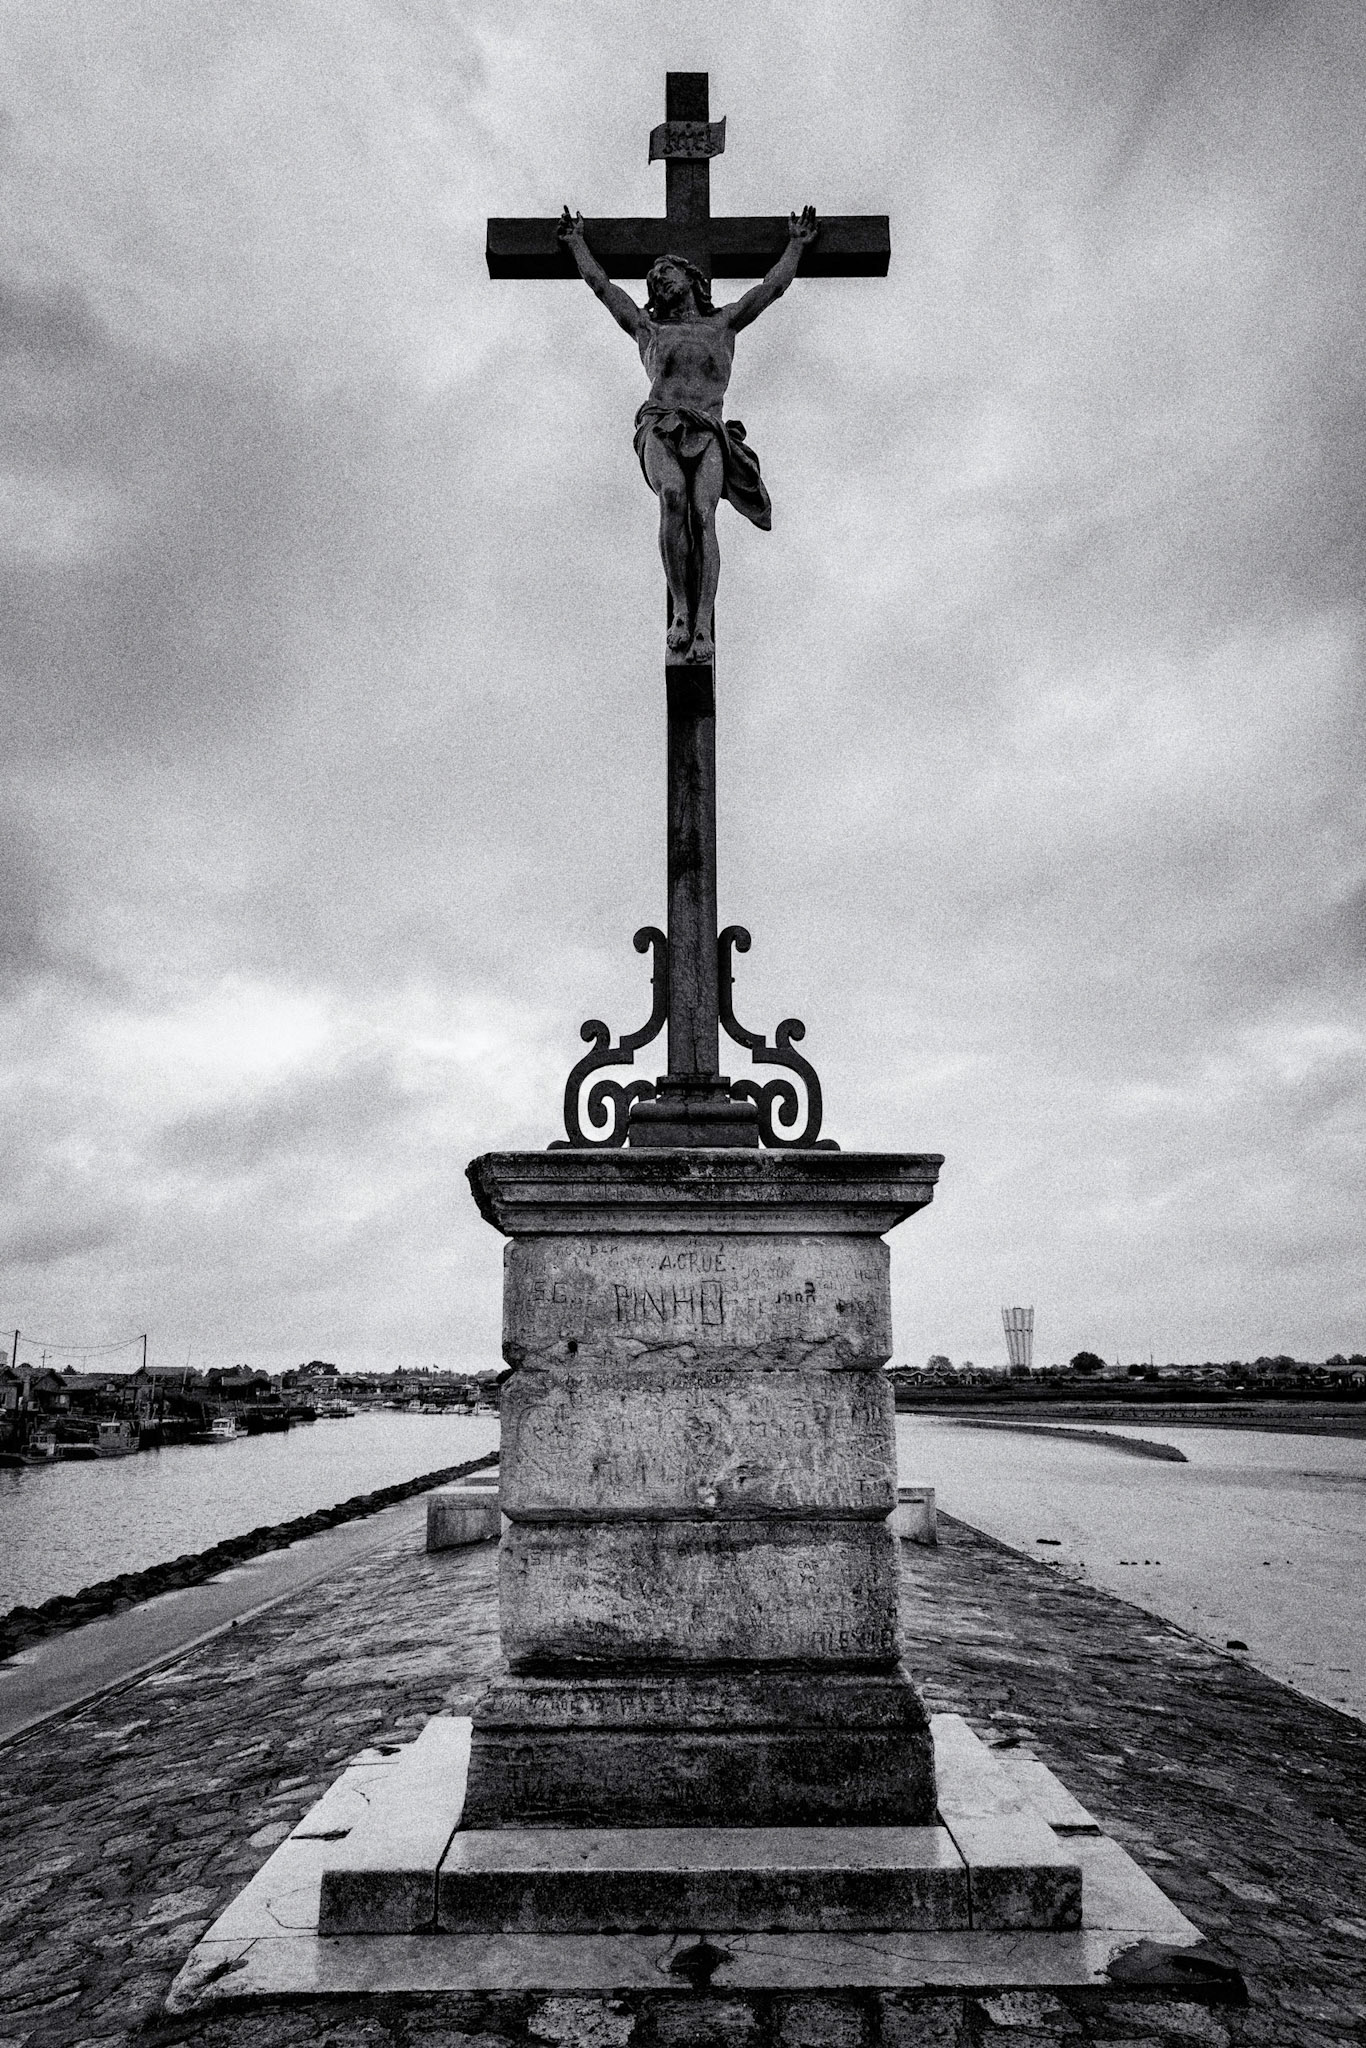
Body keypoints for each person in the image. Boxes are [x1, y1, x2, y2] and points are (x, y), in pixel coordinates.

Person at [558, 205, 820, 663]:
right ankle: (679, 608)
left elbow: (771, 288)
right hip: (660, 423)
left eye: (666, 272)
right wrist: (577, 241)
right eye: (654, 280)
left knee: (703, 514)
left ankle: (703, 625)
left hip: (709, 430)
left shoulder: (723, 324)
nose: (658, 281)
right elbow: (603, 288)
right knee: (673, 497)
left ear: (691, 278)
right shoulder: (649, 328)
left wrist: (797, 244)